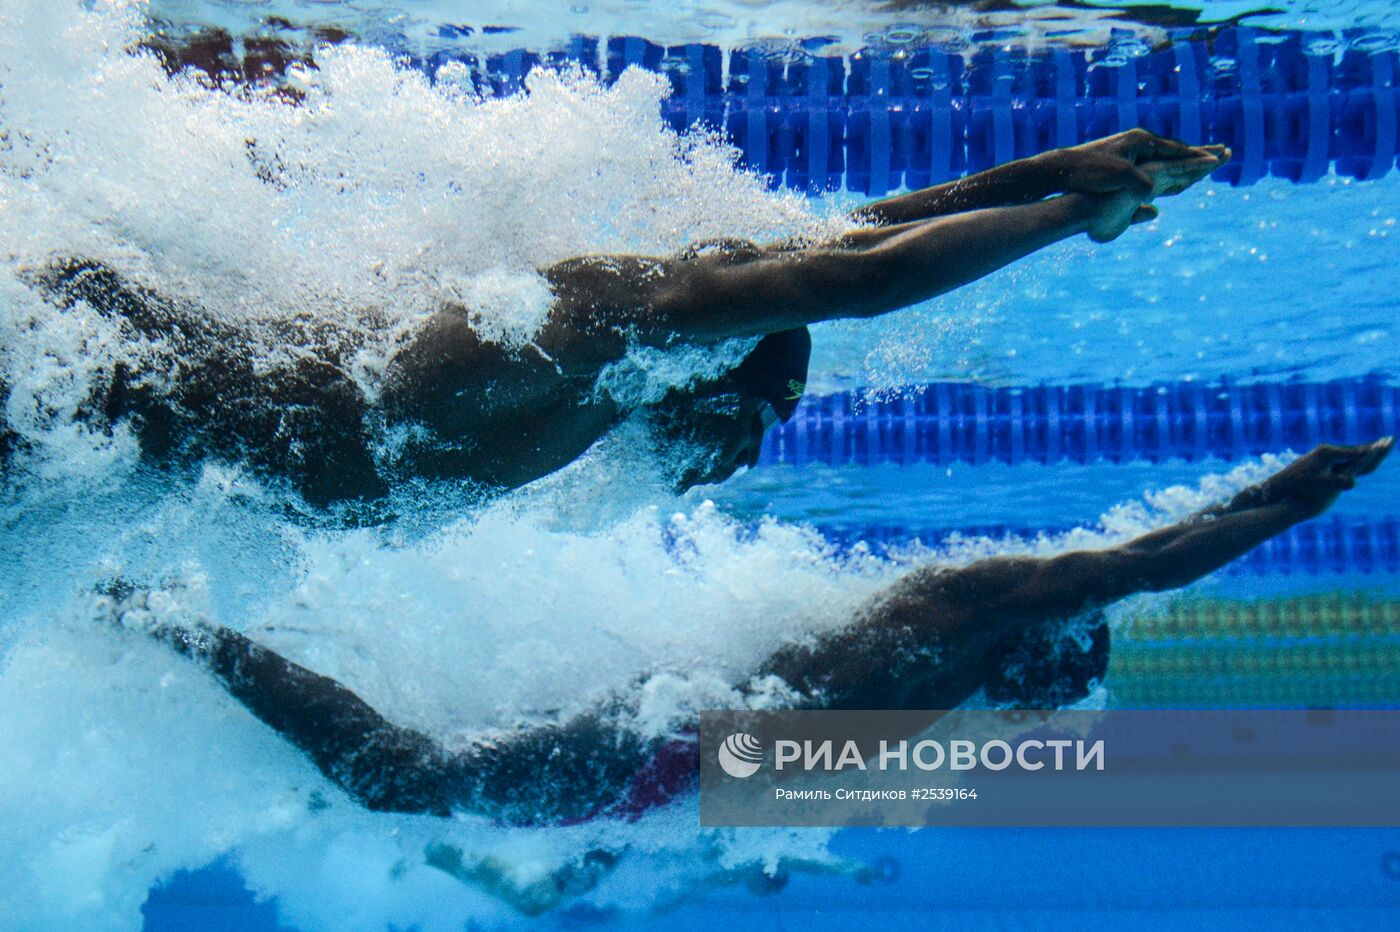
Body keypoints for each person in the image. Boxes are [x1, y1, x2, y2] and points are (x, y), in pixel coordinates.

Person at [101, 437, 1392, 826]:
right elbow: (1142, 560)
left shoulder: (945, 645)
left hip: (665, 752)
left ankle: (183, 623)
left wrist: (1289, 497)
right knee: (405, 781)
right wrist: (1288, 496)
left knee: (416, 781)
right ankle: (170, 622)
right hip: (662, 755)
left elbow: (1136, 567)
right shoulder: (965, 629)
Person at [13, 131, 1228, 506]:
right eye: (759, 425)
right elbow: (850, 280)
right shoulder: (598, 321)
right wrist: (1075, 213)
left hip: (117, 416)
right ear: (722, 372)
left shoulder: (620, 377)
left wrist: (1063, 168)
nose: (736, 458)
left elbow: (848, 238)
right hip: (83, 376)